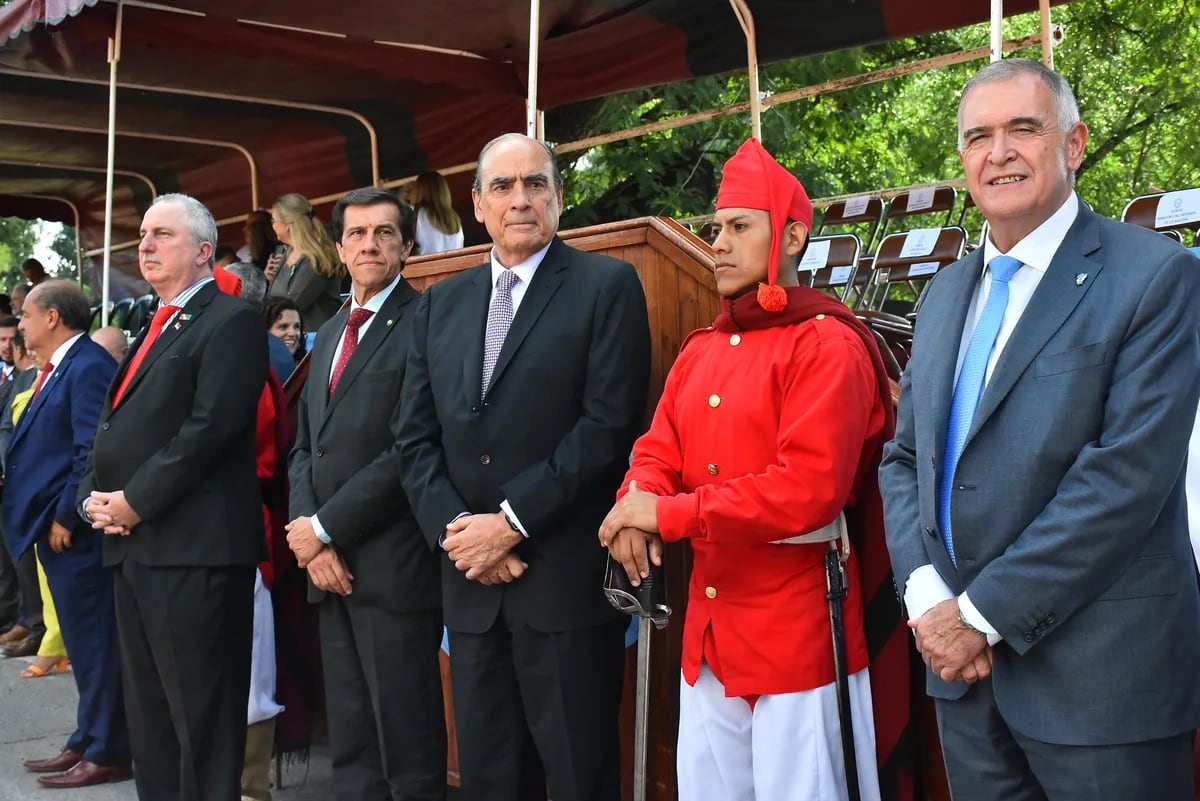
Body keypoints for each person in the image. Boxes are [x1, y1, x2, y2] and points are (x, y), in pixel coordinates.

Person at [879, 58, 1200, 801]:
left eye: (1024, 129)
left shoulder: (1155, 278)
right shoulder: (944, 294)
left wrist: (978, 616)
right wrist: (928, 596)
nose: (1000, 152)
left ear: (1075, 143)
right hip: (967, 687)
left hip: (1104, 688)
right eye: (978, 137)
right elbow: (903, 462)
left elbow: (1123, 479)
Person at [598, 138, 897, 801]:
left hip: (799, 640)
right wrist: (635, 500)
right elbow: (657, 448)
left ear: (791, 235)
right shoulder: (700, 350)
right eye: (715, 228)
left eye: (739, 227)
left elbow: (806, 492)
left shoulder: (829, 344)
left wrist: (665, 514)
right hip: (707, 641)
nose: (719, 243)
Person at [398, 133, 651, 801]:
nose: (521, 199)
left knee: (577, 776)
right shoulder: (439, 305)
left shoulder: (607, 286)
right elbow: (413, 438)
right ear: (477, 205)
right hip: (472, 587)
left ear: (559, 200)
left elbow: (607, 427)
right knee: (490, 779)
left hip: (561, 586)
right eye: (503, 187)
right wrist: (462, 533)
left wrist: (509, 523)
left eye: (536, 184)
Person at [79, 193, 268, 801]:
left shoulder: (230, 320)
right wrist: (92, 498)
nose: (146, 246)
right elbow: (113, 427)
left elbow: (211, 429)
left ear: (204, 251)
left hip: (196, 553)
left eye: (162, 235)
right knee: (152, 720)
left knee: (201, 723)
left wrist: (135, 499)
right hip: (135, 550)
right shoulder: (150, 324)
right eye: (142, 237)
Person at [287, 187, 444, 801]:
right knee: (352, 743)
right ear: (340, 246)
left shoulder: (426, 320)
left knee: (407, 740)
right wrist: (309, 538)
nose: (370, 244)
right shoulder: (327, 333)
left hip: (391, 566)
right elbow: (306, 447)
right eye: (357, 233)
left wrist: (326, 528)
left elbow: (412, 446)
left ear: (407, 246)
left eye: (384, 233)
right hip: (326, 568)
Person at [6, 280, 130, 788]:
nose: (19, 327)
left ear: (53, 317)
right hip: (55, 533)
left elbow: (91, 452)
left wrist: (65, 515)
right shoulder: (62, 366)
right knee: (82, 642)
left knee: (96, 642)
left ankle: (109, 747)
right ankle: (86, 738)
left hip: (75, 534)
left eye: (26, 317)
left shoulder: (87, 365)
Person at [265, 193, 344, 331]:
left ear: (287, 224)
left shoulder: (316, 259)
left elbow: (294, 304)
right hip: (289, 339)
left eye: (273, 221)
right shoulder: (286, 254)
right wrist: (267, 280)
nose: (272, 226)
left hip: (314, 342)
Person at [406, 170, 464, 255]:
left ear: (420, 190)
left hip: (426, 267)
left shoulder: (413, 213)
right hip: (456, 267)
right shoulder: (454, 218)